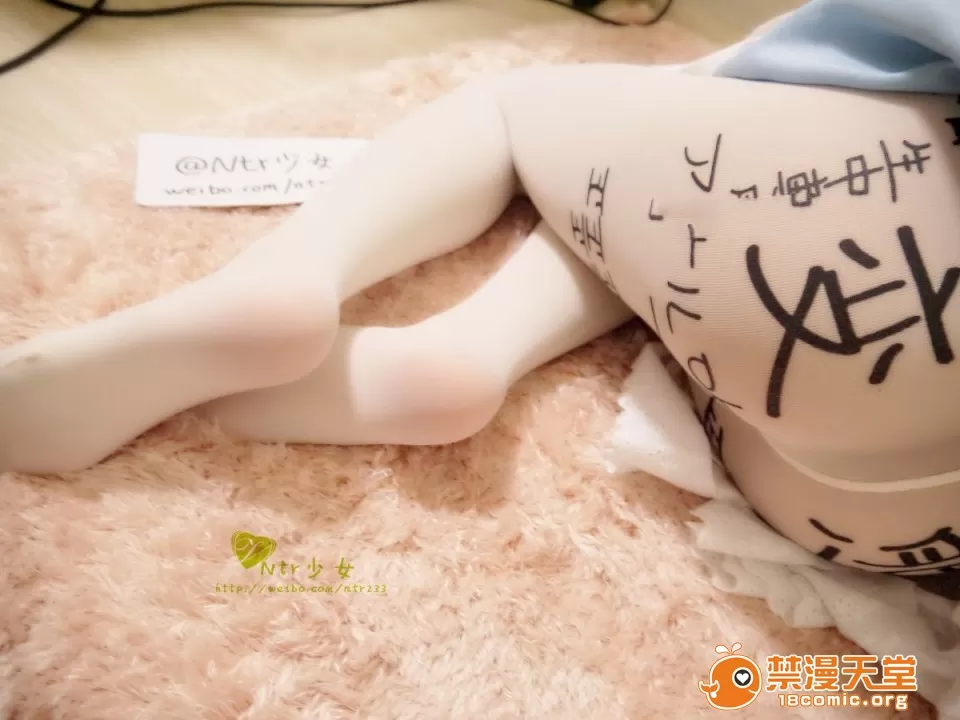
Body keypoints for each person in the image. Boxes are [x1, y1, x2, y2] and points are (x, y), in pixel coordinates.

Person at [2, 0, 960, 593]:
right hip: (875, 528)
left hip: (859, 237)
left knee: (535, 116)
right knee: (644, 221)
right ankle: (463, 352)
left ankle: (284, 282)